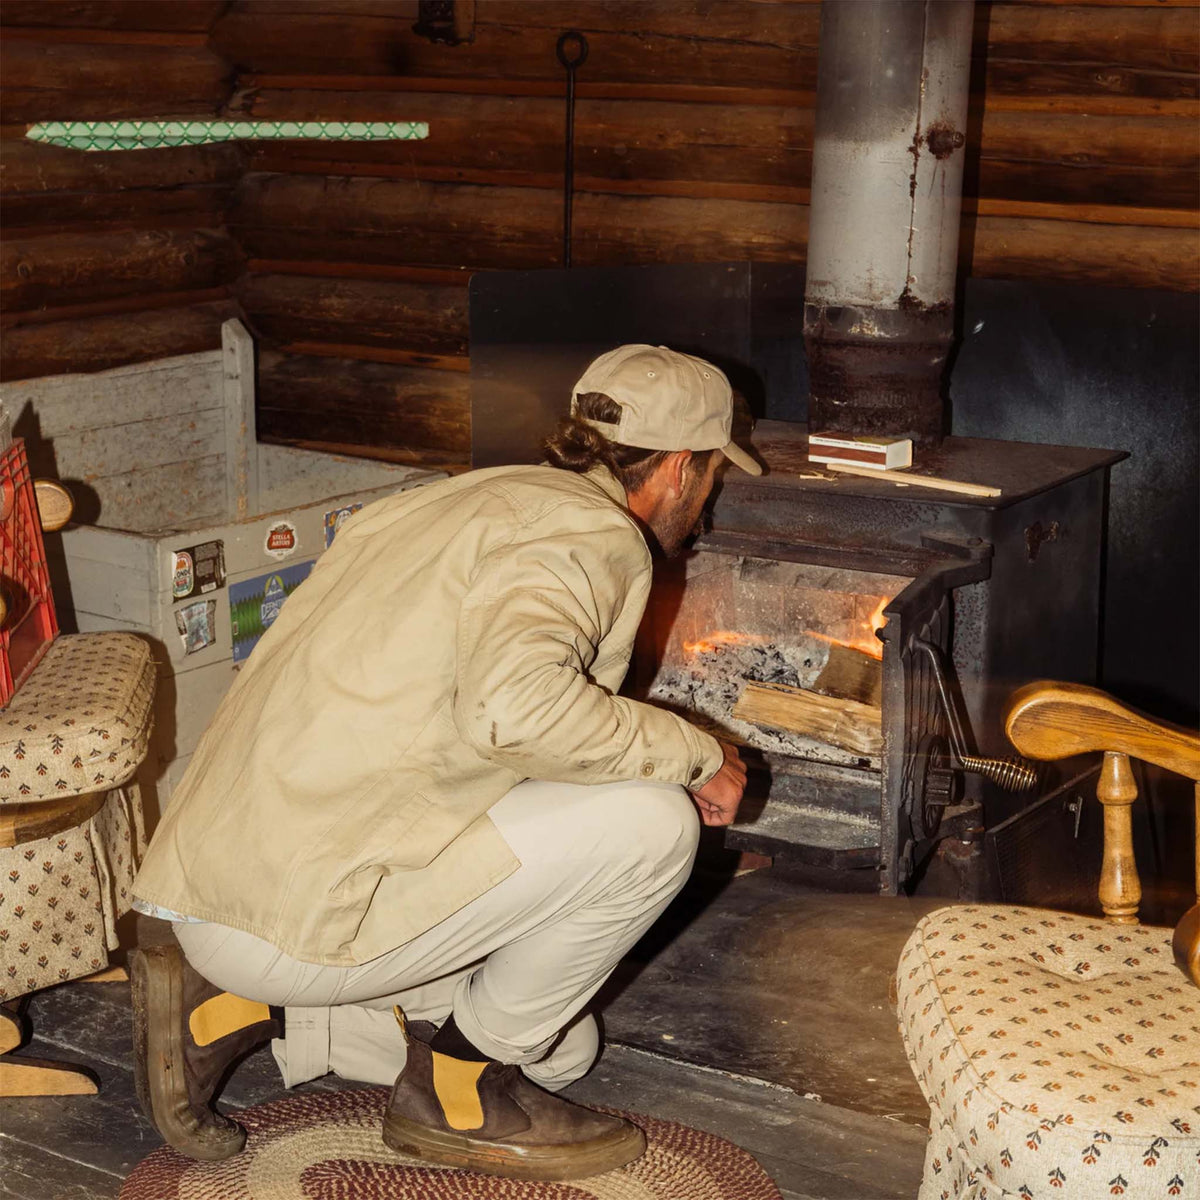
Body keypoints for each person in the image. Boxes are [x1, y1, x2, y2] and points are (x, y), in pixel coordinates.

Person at [129, 344, 760, 1179]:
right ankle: (452, 1092)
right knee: (654, 823)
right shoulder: (593, 533)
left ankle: (239, 1008)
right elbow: (515, 711)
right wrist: (694, 753)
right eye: (713, 474)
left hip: (223, 879)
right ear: (680, 467)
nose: (708, 499)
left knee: (564, 1052)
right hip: (294, 907)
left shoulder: (458, 498)